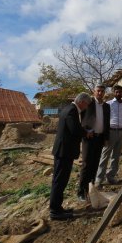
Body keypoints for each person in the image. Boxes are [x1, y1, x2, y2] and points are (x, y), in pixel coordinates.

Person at [49, 92, 92, 220]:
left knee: (60, 180)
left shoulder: (68, 108)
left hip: (64, 151)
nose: (87, 107)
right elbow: (74, 130)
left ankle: (57, 207)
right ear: (82, 102)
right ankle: (55, 211)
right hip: (64, 152)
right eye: (87, 104)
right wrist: (86, 133)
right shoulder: (72, 111)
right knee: (59, 181)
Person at [77, 83, 110, 201]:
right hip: (89, 138)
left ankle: (91, 189)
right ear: (94, 92)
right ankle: (81, 191)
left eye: (102, 91)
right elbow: (79, 117)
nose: (100, 93)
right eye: (98, 91)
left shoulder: (106, 106)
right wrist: (84, 131)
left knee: (95, 164)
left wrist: (106, 138)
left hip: (100, 138)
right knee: (86, 164)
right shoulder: (89, 103)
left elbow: (106, 124)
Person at [95, 85, 122, 186]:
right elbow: (104, 120)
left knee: (116, 156)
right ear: (114, 93)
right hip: (111, 131)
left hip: (121, 132)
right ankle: (99, 179)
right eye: (117, 92)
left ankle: (111, 176)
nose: (119, 94)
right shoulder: (108, 104)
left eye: (120, 92)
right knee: (105, 155)